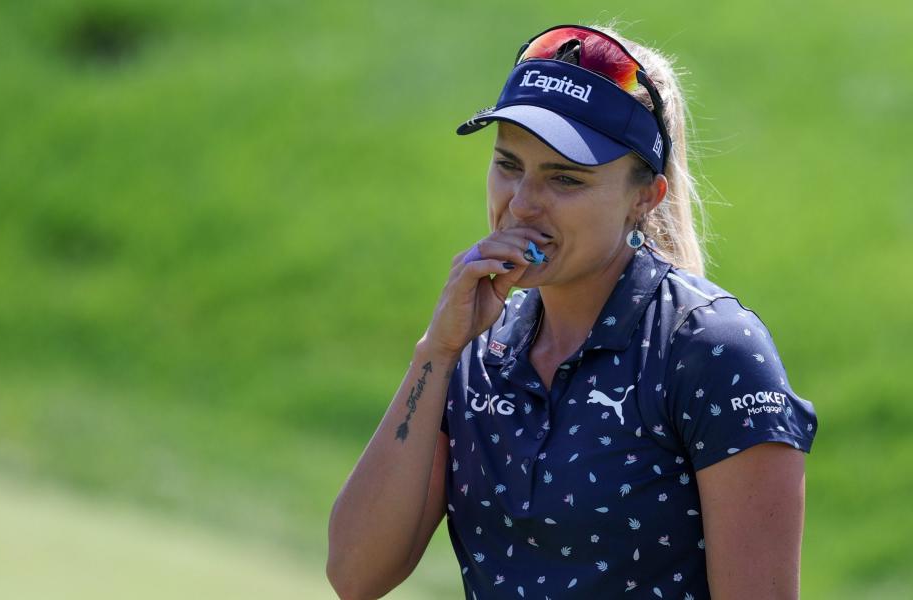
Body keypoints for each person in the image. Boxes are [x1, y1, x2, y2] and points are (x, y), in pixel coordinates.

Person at [327, 23, 817, 600]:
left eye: (565, 178)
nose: (522, 204)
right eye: (509, 164)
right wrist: (435, 352)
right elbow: (356, 573)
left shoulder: (711, 349)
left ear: (645, 197)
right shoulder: (479, 350)